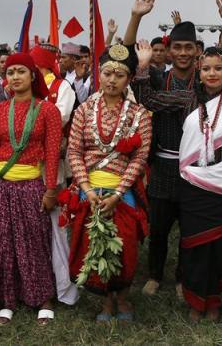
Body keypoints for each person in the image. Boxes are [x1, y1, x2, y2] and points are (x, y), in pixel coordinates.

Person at [127, 0, 222, 297]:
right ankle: (154, 274)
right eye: (177, 47)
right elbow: (126, 59)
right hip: (164, 163)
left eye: (188, 48)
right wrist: (136, 17)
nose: (182, 53)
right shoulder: (157, 79)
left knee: (191, 228)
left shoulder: (207, 81)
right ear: (168, 52)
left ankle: (185, 277)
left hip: (198, 169)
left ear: (197, 51)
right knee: (158, 228)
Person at [0, 53, 62, 326]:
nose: (15, 77)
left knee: (34, 242)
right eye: (10, 72)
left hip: (31, 186)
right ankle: (7, 300)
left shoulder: (47, 110)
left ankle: (43, 298)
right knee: (2, 243)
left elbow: (53, 154)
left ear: (33, 75)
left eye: (21, 71)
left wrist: (51, 190)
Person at [66, 43, 152, 322]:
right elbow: (74, 153)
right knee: (91, 244)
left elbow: (139, 159)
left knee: (125, 244)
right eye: (107, 73)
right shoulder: (83, 111)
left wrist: (116, 193)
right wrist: (88, 190)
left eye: (119, 75)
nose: (112, 80)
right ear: (99, 75)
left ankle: (124, 298)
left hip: (122, 190)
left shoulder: (139, 115)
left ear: (129, 79)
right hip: (89, 189)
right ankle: (105, 302)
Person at [175, 47, 222, 322]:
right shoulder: (187, 100)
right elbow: (149, 97)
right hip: (194, 184)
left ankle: (214, 299)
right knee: (194, 244)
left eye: (218, 68)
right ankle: (196, 300)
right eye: (207, 69)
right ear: (199, 72)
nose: (212, 73)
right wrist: (143, 67)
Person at [30, 40, 79, 306]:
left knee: (54, 223)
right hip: (24, 166)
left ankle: (59, 281)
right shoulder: (23, 87)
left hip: (52, 163)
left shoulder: (63, 88)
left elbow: (57, 119)